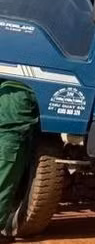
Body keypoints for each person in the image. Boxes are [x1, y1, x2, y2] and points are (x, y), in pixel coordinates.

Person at [0, 81, 39, 242]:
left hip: (8, 128)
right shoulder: (29, 90)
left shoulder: (5, 83)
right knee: (5, 180)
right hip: (12, 137)